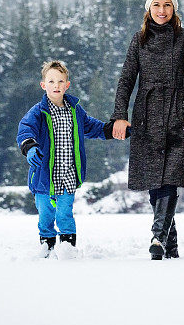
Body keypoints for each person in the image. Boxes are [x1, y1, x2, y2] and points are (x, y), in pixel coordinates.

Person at [111, 0, 184, 260]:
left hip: (177, 116)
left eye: (166, 5)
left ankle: (157, 236)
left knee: (169, 179)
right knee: (155, 183)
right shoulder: (138, 40)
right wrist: (120, 115)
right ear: (148, 8)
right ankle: (170, 246)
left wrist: (183, 111)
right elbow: (126, 80)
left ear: (174, 8)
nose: (161, 10)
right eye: (156, 5)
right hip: (146, 116)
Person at [17, 60, 124, 258]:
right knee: (46, 215)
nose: (56, 85)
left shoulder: (75, 111)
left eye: (60, 81)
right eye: (51, 81)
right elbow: (25, 129)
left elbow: (93, 127)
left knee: (65, 213)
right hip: (43, 177)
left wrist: (113, 130)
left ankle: (67, 250)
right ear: (43, 85)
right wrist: (29, 146)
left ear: (67, 85)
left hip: (67, 175)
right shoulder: (37, 112)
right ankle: (46, 248)